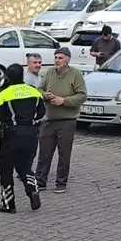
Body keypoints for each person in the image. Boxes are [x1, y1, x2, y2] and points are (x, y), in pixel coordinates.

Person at [0, 64, 46, 214]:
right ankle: (32, 189)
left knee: (5, 169)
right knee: (24, 166)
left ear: (7, 77)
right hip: (31, 135)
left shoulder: (4, 94)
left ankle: (9, 204)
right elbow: (42, 113)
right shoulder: (34, 91)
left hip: (11, 136)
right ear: (22, 75)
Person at [35, 47, 87, 194]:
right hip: (49, 119)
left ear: (68, 60)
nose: (57, 61)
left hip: (67, 120)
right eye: (56, 58)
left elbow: (82, 95)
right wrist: (44, 95)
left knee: (64, 153)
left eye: (61, 58)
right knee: (44, 153)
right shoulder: (50, 73)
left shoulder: (75, 74)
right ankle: (40, 181)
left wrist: (63, 100)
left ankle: (61, 183)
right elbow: (39, 89)